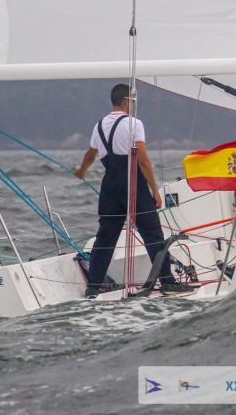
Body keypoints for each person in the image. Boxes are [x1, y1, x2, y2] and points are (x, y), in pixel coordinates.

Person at [74, 83, 190, 298]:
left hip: (110, 187)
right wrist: (155, 190)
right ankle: (167, 282)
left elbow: (90, 154)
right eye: (132, 101)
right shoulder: (134, 123)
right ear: (126, 100)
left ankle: (93, 286)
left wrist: (81, 171)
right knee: (153, 234)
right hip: (133, 184)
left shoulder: (99, 126)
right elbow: (143, 160)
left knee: (105, 237)